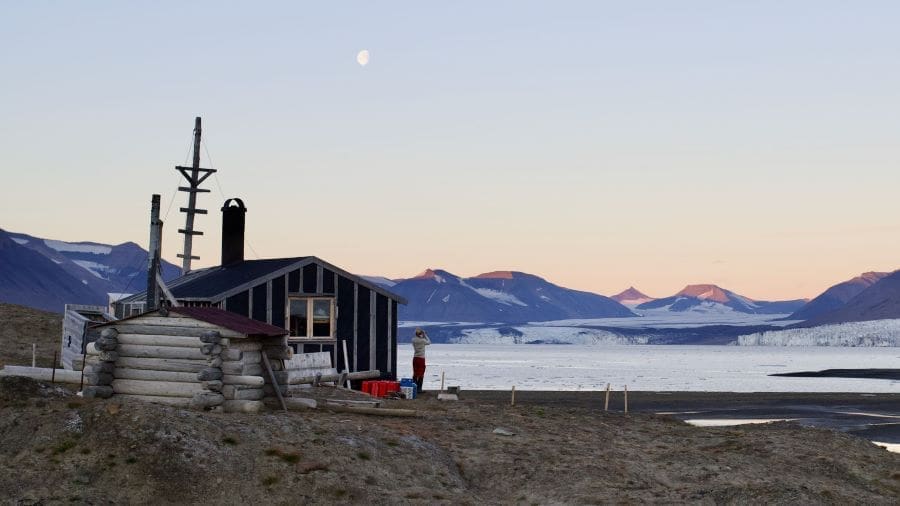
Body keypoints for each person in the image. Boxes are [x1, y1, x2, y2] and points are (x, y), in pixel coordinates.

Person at [411, 328, 431, 394]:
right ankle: (419, 389)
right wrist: (425, 335)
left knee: (415, 373)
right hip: (421, 358)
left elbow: (416, 338)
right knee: (421, 373)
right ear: (421, 334)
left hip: (415, 358)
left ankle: (414, 388)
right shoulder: (422, 340)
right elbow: (429, 342)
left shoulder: (413, 340)